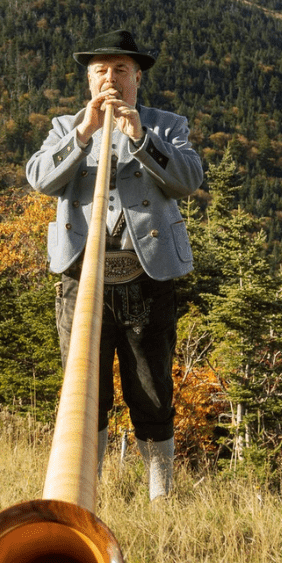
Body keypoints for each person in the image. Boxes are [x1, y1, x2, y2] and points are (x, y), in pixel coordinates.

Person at [26, 29, 204, 500]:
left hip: (147, 275)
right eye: (101, 70)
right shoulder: (67, 126)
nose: (110, 79)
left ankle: (160, 493)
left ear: (137, 77)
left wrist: (140, 137)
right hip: (81, 277)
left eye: (120, 70)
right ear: (88, 80)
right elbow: (40, 179)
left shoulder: (166, 125)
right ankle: (88, 488)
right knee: (86, 392)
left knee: (151, 387)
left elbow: (188, 178)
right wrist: (84, 133)